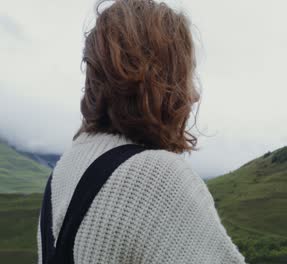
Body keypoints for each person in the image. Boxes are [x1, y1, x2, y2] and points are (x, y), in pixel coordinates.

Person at [37, 0, 245, 263]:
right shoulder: (156, 176)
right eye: (185, 75)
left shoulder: (64, 170)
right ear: (159, 79)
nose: (193, 95)